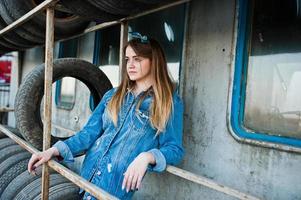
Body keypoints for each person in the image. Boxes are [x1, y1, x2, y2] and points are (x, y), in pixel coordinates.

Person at [28, 32, 184, 200]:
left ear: (154, 62)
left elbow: (174, 149)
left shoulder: (168, 102)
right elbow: (89, 133)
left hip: (113, 188)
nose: (130, 65)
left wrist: (147, 156)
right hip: (86, 179)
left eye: (137, 59)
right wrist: (53, 150)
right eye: (127, 59)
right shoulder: (113, 95)